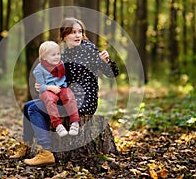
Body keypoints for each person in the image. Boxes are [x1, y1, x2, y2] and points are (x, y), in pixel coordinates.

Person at [10, 17, 119, 166]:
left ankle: (46, 152)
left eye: (80, 32)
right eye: (73, 32)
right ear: (64, 35)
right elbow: (59, 76)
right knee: (27, 106)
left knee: (34, 109)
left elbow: (111, 73)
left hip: (83, 100)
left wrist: (107, 62)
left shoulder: (88, 49)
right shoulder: (66, 53)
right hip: (66, 95)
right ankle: (27, 145)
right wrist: (44, 85)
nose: (77, 35)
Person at [32, 41, 80, 137]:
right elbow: (40, 86)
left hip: (61, 87)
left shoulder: (60, 64)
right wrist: (50, 87)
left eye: (58, 54)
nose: (57, 57)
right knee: (49, 100)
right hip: (47, 90)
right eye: (53, 55)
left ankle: (75, 122)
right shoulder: (39, 69)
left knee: (69, 95)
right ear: (44, 57)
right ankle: (58, 125)